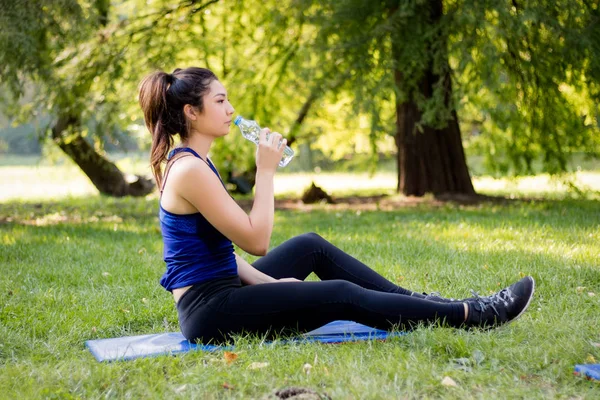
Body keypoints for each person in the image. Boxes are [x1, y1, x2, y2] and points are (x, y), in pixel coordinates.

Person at [138, 67, 535, 344]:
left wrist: (273, 284)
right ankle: (473, 315)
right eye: (220, 101)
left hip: (222, 288)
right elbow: (256, 241)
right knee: (341, 294)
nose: (230, 110)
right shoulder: (189, 170)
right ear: (192, 111)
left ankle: (424, 304)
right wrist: (266, 171)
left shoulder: (196, 162)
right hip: (210, 312)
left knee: (310, 245)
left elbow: (219, 253)